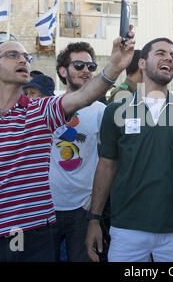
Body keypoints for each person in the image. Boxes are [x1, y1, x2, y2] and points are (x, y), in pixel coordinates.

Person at [0, 29, 135, 262]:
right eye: (13, 55)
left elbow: (85, 96)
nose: (23, 59)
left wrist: (115, 66)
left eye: (26, 57)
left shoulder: (42, 111)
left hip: (33, 233)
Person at [85, 37, 173, 262]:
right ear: (142, 63)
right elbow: (106, 166)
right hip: (127, 229)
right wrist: (94, 219)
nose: (169, 59)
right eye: (161, 53)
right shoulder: (116, 110)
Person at [49, 42, 106, 262]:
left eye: (91, 66)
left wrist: (96, 209)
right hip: (47, 206)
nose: (86, 71)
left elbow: (108, 160)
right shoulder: (49, 106)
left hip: (83, 208)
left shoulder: (101, 111)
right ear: (63, 71)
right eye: (79, 65)